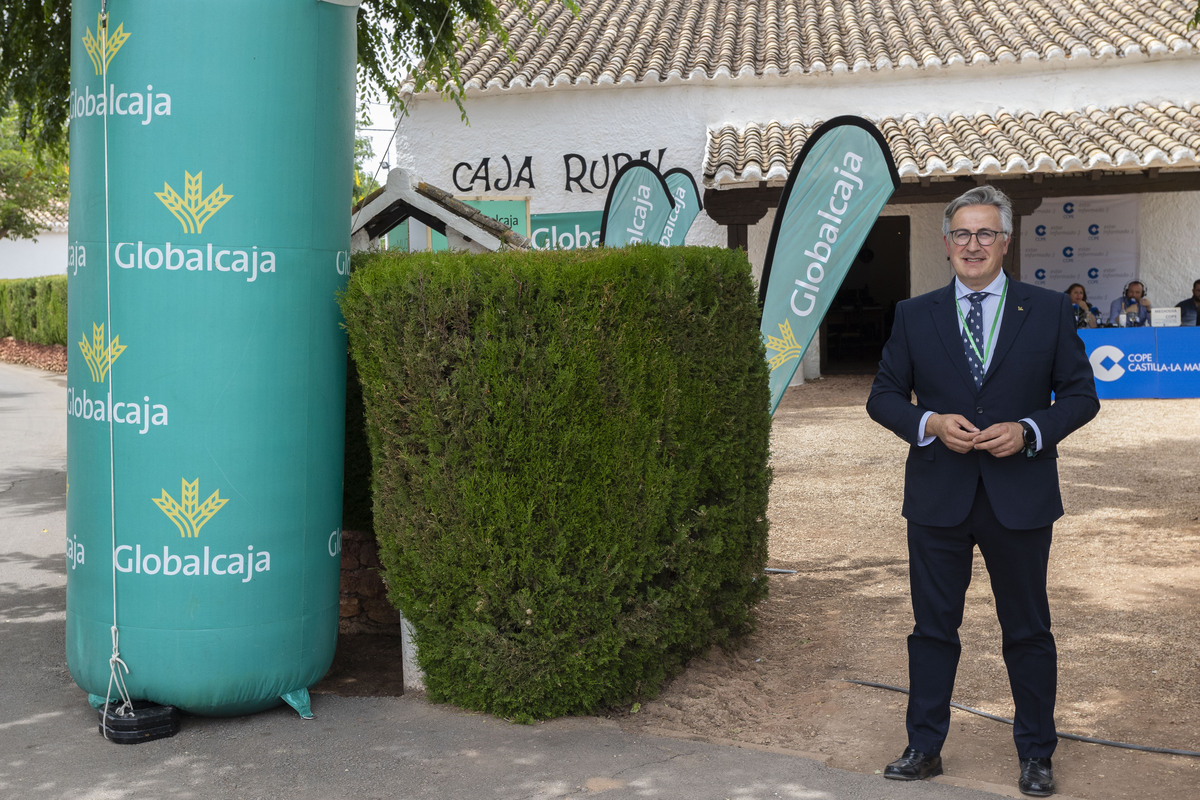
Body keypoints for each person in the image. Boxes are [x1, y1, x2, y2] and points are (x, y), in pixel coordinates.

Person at [866, 185, 1099, 797]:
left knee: (1027, 631)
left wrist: (1029, 431)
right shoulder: (914, 315)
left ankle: (1036, 755)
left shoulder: (1048, 310)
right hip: (938, 498)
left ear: (1005, 242)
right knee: (932, 630)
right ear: (946, 244)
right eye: (963, 234)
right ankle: (924, 746)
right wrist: (930, 424)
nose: (974, 244)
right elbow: (883, 396)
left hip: (1019, 499)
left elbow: (1081, 396)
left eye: (986, 233)